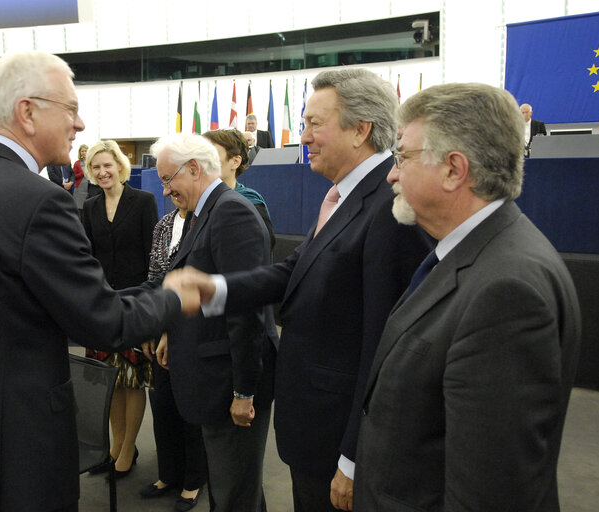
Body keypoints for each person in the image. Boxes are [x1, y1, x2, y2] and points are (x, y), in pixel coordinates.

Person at [0, 51, 197, 512]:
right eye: (71, 109)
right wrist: (174, 297)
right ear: (28, 112)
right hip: (14, 459)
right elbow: (103, 323)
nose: (79, 124)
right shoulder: (40, 201)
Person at [171, 68, 433, 512]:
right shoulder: (344, 194)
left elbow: (383, 349)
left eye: (314, 123)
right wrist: (214, 288)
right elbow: (293, 270)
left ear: (360, 130)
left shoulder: (389, 206)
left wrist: (353, 457)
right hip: (314, 428)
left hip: (338, 440)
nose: (303, 134)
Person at [352, 83, 582, 511]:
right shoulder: (468, 254)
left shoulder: (507, 292)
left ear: (454, 169)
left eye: (402, 156)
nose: (391, 174)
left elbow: (491, 491)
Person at [151, 134, 276, 512]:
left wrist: (244, 392)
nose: (166, 190)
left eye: (168, 179)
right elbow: (190, 284)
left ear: (193, 168)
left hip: (230, 384)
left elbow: (248, 308)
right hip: (212, 378)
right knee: (236, 488)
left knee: (234, 493)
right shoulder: (204, 212)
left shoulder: (230, 212)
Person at [81, 139, 158, 479]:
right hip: (101, 305)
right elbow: (86, 256)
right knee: (110, 381)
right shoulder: (90, 206)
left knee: (133, 380)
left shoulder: (143, 202)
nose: (102, 172)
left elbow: (152, 257)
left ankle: (128, 448)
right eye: (95, 167)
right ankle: (114, 446)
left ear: (120, 167)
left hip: (134, 304)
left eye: (107, 165)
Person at [139, 196, 209, 511]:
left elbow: (196, 284)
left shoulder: (205, 220)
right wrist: (153, 329)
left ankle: (193, 481)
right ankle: (168, 474)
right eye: (164, 181)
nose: (169, 189)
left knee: (190, 408)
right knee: (163, 404)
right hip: (162, 324)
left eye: (173, 179)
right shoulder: (164, 225)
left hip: (192, 329)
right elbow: (155, 279)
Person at [203, 129, 275, 249]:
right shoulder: (197, 201)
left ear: (235, 162)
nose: (203, 162)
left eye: (211, 156)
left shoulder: (250, 202)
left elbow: (260, 247)